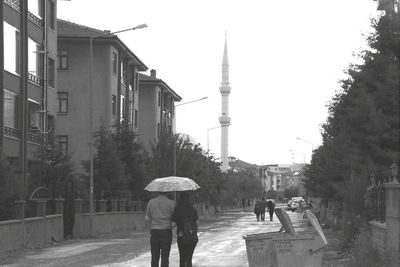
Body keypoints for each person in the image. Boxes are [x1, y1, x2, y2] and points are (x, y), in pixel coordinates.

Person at [145, 191, 176, 267]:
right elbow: (174, 220)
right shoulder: (171, 203)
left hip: (154, 231)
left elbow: (147, 218)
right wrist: (171, 226)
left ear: (158, 192)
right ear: (167, 192)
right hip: (166, 231)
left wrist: (150, 228)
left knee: (155, 256)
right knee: (165, 256)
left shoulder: (151, 202)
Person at [172, 192, 199, 267]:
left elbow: (173, 224)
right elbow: (197, 223)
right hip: (192, 236)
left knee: (182, 258)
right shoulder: (193, 209)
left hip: (181, 236)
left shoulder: (177, 210)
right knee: (189, 258)